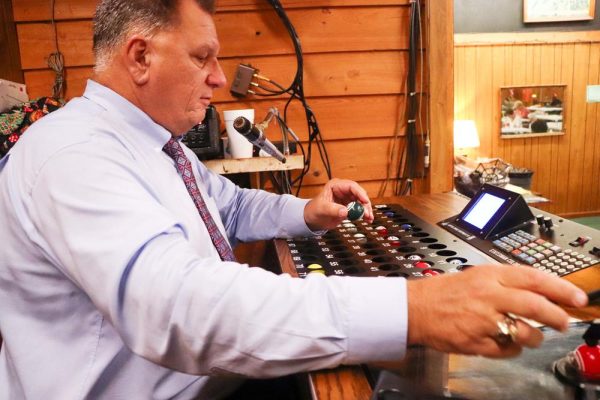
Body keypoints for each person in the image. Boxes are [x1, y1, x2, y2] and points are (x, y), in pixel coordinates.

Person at [0, 0, 588, 399]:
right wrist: (415, 308)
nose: (220, 78)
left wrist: (309, 212)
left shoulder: (159, 146)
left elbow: (228, 206)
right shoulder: (73, 156)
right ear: (139, 56)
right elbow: (175, 307)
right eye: (202, 56)